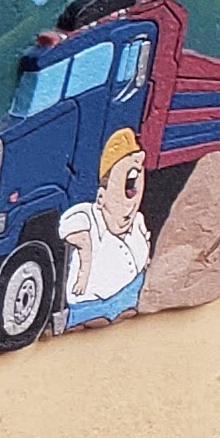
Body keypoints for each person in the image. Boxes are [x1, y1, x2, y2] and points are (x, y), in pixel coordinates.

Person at [59, 127, 154, 330]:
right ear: (101, 197)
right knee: (90, 313)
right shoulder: (90, 217)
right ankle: (89, 315)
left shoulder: (136, 221)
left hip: (127, 292)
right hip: (90, 302)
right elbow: (69, 226)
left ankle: (119, 308)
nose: (130, 205)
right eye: (128, 185)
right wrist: (85, 259)